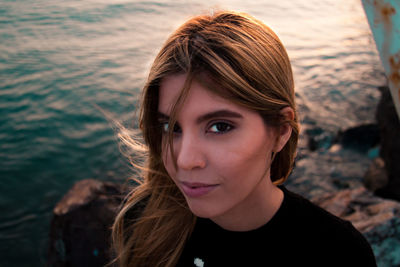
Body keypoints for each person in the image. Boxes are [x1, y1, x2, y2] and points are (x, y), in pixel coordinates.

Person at [111, 10, 377, 267]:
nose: (186, 160)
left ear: (281, 130)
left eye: (220, 127)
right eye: (170, 127)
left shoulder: (337, 253)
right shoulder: (145, 223)